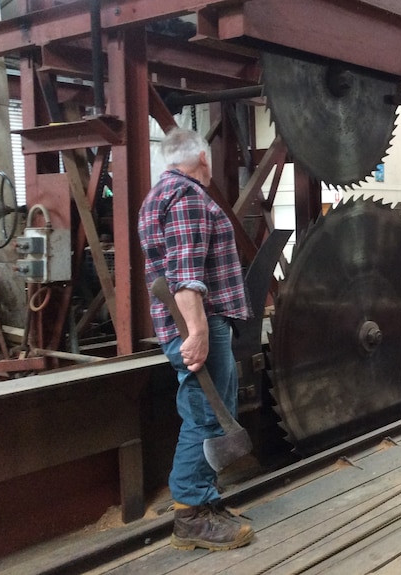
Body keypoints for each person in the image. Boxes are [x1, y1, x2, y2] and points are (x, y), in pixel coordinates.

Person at [138, 127, 254, 551]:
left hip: (188, 323)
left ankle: (205, 502)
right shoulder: (187, 198)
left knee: (205, 413)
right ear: (203, 159)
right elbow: (186, 276)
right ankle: (190, 515)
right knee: (206, 417)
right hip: (198, 323)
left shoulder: (159, 195)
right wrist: (199, 331)